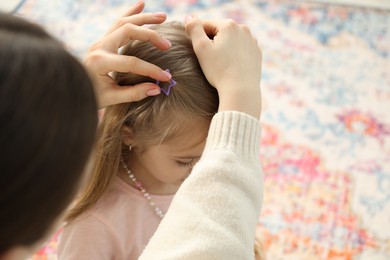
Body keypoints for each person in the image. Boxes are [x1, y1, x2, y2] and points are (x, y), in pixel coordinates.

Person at [0, 1, 263, 259]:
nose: (206, 170)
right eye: (186, 161)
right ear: (130, 133)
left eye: (210, 153)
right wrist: (242, 97)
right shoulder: (95, 226)